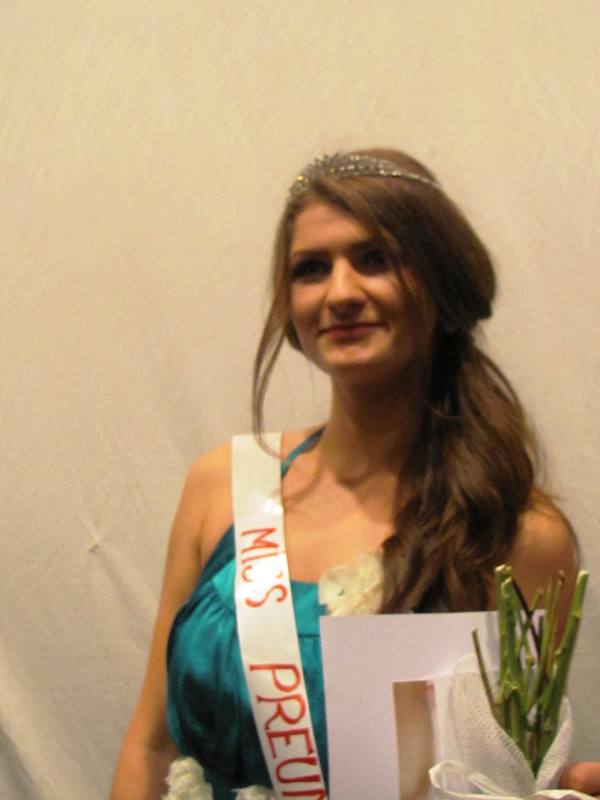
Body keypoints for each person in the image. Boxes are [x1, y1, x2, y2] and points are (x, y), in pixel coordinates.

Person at [110, 149, 600, 800]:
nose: (340, 292)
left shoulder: (519, 535)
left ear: (444, 282)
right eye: (311, 269)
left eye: (376, 259)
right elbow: (150, 744)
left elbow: (513, 776)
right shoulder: (222, 484)